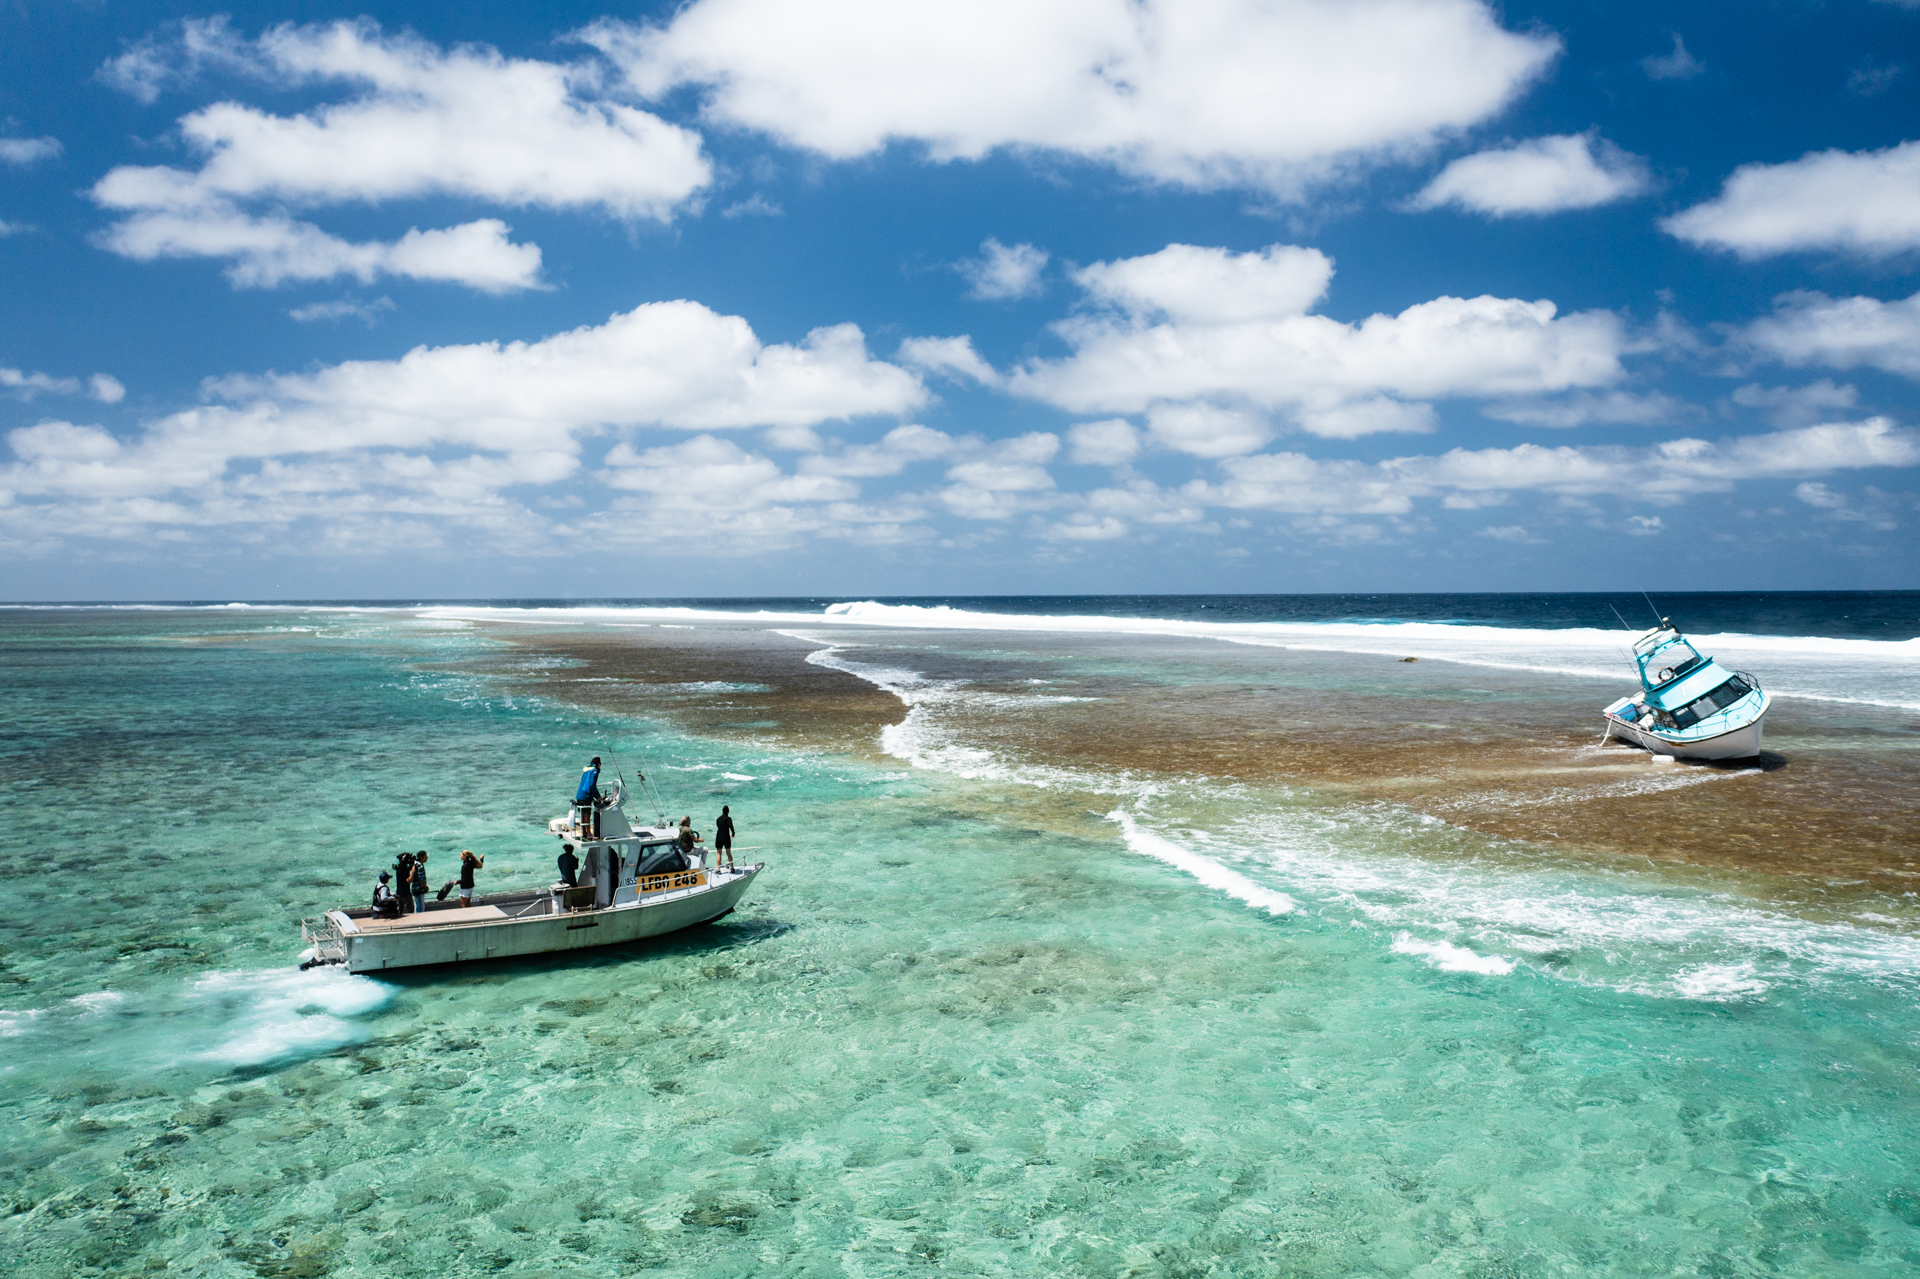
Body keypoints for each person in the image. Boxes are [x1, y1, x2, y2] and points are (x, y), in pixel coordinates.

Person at [574, 757, 603, 838]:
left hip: (580, 795)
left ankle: (584, 832)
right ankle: (589, 834)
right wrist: (598, 796)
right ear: (598, 764)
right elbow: (592, 784)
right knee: (587, 815)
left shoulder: (587, 771)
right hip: (586, 796)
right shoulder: (594, 771)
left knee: (582, 815)